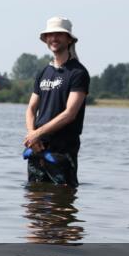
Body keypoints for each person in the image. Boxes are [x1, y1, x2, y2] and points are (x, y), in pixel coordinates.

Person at [24, 17, 90, 187]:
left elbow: (70, 114)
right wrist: (33, 136)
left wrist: (36, 134)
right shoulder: (43, 72)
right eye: (50, 34)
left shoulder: (78, 73)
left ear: (69, 39)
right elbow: (31, 108)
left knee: (62, 205)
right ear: (45, 39)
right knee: (34, 203)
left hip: (63, 152)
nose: (54, 38)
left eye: (59, 34)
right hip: (38, 149)